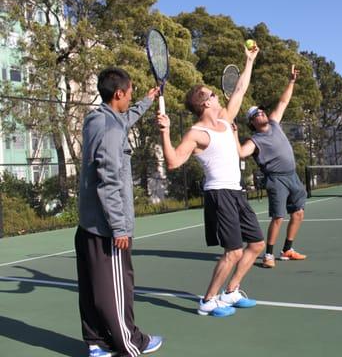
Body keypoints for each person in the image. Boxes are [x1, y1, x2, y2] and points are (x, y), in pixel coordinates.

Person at [157, 44, 264, 317]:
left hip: (237, 192)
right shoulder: (198, 133)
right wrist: (165, 132)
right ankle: (207, 300)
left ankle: (231, 291)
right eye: (213, 94)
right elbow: (173, 161)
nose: (218, 96)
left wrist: (249, 60)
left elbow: (239, 90)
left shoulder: (227, 121)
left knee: (256, 245)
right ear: (205, 103)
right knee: (233, 252)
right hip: (219, 195)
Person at [75, 67, 163, 357]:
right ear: (119, 94)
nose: (131, 97)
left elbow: (125, 119)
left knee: (91, 290)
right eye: (130, 93)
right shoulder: (111, 129)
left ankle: (97, 343)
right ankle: (130, 342)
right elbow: (108, 181)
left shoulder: (97, 119)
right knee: (116, 289)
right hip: (106, 229)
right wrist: (119, 227)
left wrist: (148, 100)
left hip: (88, 226)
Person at [237, 65, 307, 269]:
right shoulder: (254, 140)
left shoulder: (275, 123)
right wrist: (233, 133)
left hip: (293, 176)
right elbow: (241, 153)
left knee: (299, 213)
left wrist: (292, 80)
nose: (261, 113)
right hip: (276, 180)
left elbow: (284, 101)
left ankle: (287, 250)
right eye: (256, 114)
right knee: (278, 217)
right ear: (252, 122)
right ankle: (268, 254)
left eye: (261, 111)